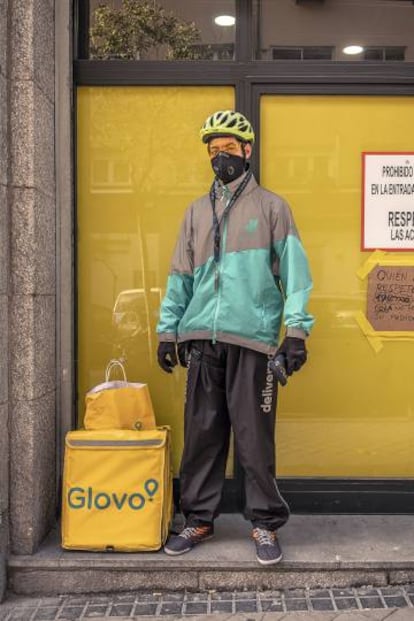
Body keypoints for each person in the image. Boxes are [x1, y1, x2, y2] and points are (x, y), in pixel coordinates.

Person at [156, 110, 314, 566]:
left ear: (247, 151)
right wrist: (169, 331)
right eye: (212, 151)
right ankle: (199, 519)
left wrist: (296, 333)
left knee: (253, 438)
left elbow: (297, 277)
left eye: (228, 149)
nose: (219, 157)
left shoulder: (272, 208)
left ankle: (264, 524)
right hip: (203, 339)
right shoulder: (195, 212)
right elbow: (180, 277)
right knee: (202, 435)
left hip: (255, 343)